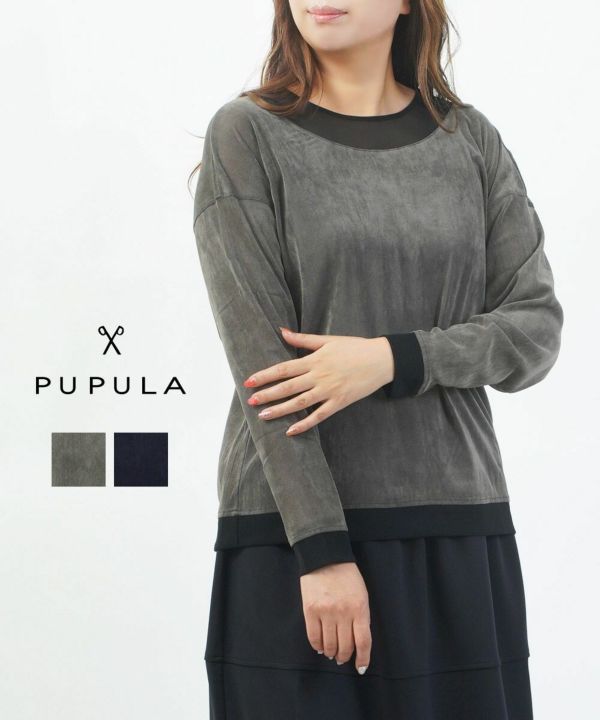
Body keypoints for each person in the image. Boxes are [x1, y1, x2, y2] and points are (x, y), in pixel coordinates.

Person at [189, 1, 564, 717]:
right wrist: (322, 551)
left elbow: (535, 328)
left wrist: (396, 359)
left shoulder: (470, 141)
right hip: (296, 537)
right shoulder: (247, 134)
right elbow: (261, 365)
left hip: (457, 524)